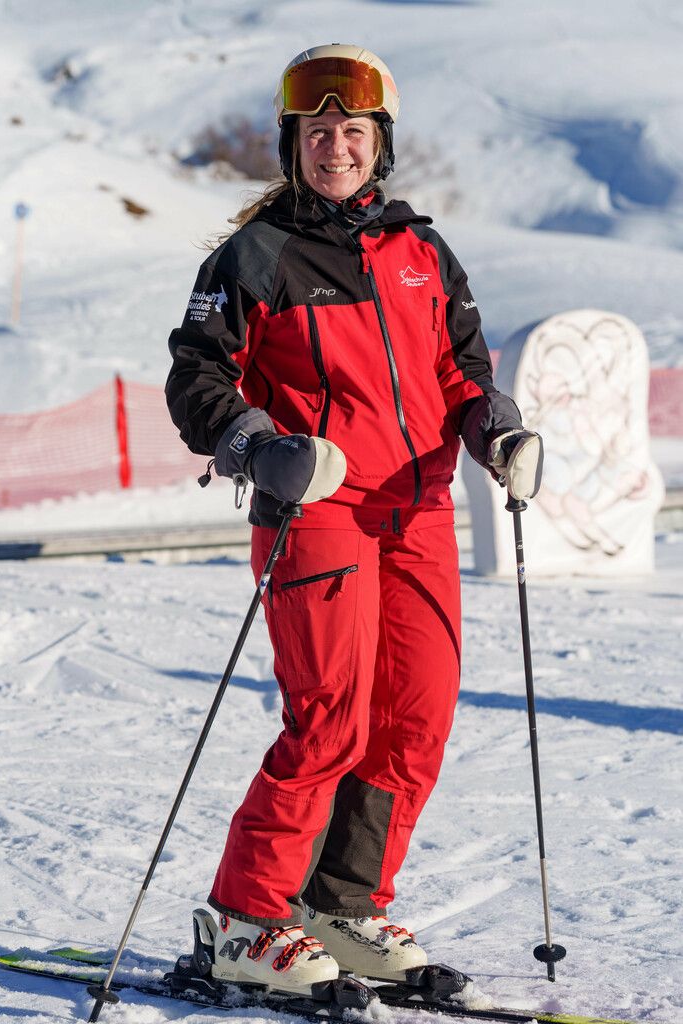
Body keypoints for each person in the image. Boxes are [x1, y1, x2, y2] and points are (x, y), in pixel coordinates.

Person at [166, 43, 542, 998]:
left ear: (381, 143)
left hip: (417, 510)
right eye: (317, 130)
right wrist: (257, 443)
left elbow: (460, 369)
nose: (335, 146)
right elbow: (197, 375)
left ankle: (339, 903)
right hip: (318, 507)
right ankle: (249, 919)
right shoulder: (256, 256)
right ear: (292, 143)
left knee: (415, 717)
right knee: (330, 715)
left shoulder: (421, 252)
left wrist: (492, 426)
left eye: (353, 130)